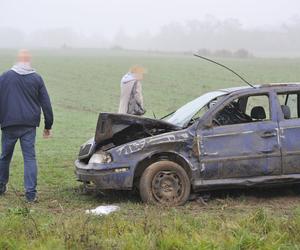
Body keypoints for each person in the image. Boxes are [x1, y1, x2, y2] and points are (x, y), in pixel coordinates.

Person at [0, 49, 53, 203]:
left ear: (18, 60)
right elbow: (46, 104)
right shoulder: (36, 78)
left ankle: (1, 186)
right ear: (29, 61)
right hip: (29, 125)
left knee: (5, 156)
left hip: (9, 123)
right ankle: (30, 194)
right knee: (29, 158)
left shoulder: (5, 77)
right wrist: (48, 125)